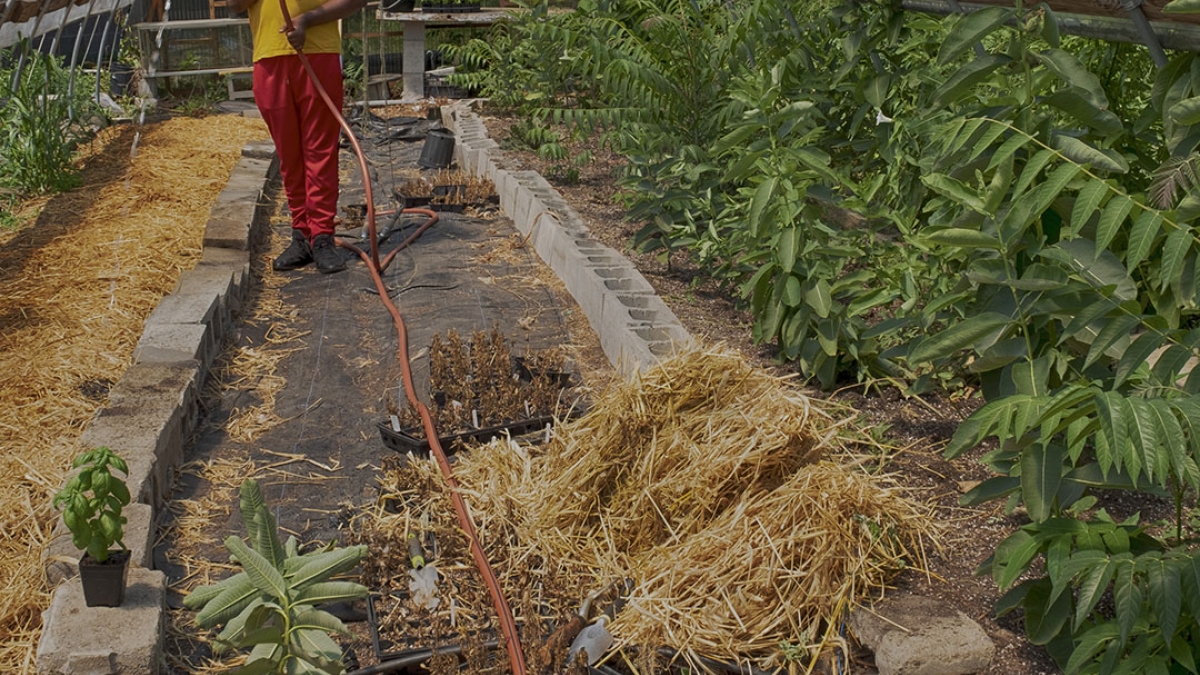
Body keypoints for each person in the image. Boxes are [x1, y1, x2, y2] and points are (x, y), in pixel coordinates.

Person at [228, 0, 365, 274]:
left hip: (318, 52)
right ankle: (301, 235)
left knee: (320, 150)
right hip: (269, 56)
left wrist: (308, 19)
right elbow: (234, 4)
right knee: (289, 155)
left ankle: (322, 236)